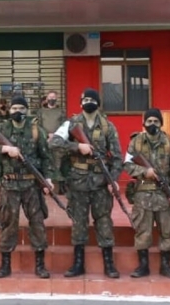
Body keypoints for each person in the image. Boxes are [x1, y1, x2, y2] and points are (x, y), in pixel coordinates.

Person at [49, 87, 122, 279]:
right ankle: (78, 263)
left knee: (104, 221)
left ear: (98, 103)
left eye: (92, 99)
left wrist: (112, 179)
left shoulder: (108, 126)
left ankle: (109, 263)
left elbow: (117, 157)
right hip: (78, 181)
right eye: (85, 99)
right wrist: (77, 146)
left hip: (100, 182)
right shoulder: (71, 124)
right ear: (80, 103)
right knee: (79, 222)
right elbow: (54, 142)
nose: (88, 102)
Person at [0, 96, 54, 279]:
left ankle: (40, 264)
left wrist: (48, 179)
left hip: (31, 184)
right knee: (8, 223)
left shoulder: (37, 130)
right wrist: (5, 150)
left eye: (21, 108)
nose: (18, 111)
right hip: (10, 185)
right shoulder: (1, 128)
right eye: (14, 108)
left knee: (37, 223)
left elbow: (46, 157)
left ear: (27, 110)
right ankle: (5, 265)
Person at [123, 108, 170, 278]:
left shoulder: (168, 142)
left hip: (163, 195)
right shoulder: (136, 142)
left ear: (161, 123)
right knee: (143, 231)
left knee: (167, 231)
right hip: (143, 195)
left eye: (156, 121)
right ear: (144, 123)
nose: (153, 124)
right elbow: (127, 165)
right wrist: (144, 172)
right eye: (149, 121)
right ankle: (143, 266)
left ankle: (166, 265)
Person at [36, 90, 67, 193]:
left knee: (59, 163)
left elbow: (64, 125)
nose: (52, 99)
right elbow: (38, 126)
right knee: (44, 161)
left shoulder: (61, 111)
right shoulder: (41, 111)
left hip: (58, 141)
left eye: (54, 97)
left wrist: (55, 135)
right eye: (50, 97)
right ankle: (44, 186)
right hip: (44, 140)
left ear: (56, 99)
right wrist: (46, 135)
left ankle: (61, 187)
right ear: (46, 99)